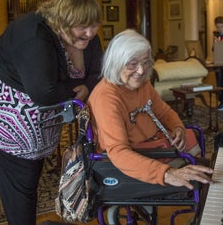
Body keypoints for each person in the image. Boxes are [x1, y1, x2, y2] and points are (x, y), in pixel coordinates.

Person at [0, 0, 103, 225]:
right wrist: (82, 88)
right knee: (21, 187)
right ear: (62, 20)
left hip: (43, 120)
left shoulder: (87, 36)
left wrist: (88, 85)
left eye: (94, 25)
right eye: (83, 26)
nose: (91, 32)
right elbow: (44, 91)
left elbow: (97, 73)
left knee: (32, 174)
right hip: (7, 115)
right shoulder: (33, 34)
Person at [88, 29, 213, 190]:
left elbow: (164, 113)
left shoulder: (142, 85)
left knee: (209, 168)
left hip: (154, 147)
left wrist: (177, 128)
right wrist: (168, 174)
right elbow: (119, 153)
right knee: (205, 182)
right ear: (117, 62)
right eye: (133, 64)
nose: (141, 70)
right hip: (132, 161)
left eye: (146, 62)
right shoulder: (106, 97)